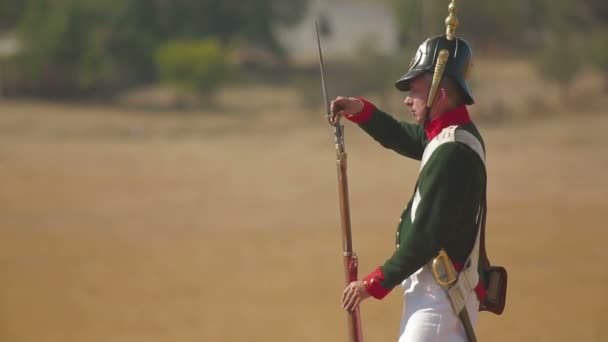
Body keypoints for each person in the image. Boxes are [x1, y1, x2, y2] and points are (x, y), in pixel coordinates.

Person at [332, 32, 488, 341]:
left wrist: (372, 283)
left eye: (414, 90)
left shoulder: (453, 150)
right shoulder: (449, 136)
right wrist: (360, 111)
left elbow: (425, 236)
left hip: (439, 299)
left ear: (439, 94)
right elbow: (407, 138)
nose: (407, 98)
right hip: (436, 295)